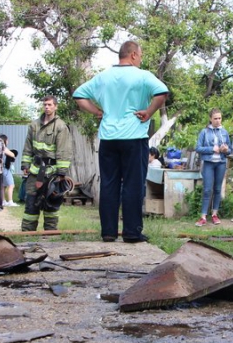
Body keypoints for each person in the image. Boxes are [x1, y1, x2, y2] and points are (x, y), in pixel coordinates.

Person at [73, 40, 169, 243]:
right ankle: (131, 232)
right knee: (133, 184)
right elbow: (162, 92)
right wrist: (149, 112)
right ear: (133, 54)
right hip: (134, 137)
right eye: (140, 55)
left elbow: (79, 95)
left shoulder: (103, 77)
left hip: (108, 138)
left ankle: (108, 232)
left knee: (109, 184)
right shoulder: (142, 75)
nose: (140, 59)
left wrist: (97, 111)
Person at [20, 96, 73, 231]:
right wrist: (25, 164)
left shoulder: (61, 126)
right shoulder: (34, 125)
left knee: (51, 203)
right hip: (35, 171)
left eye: (50, 104)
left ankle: (50, 233)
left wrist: (61, 173)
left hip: (52, 173)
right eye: (45, 105)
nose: (47, 107)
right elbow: (28, 146)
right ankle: (27, 232)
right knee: (31, 202)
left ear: (56, 106)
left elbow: (63, 150)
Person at [195, 108, 231, 226]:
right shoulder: (204, 132)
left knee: (217, 189)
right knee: (207, 189)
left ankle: (215, 214)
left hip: (221, 163)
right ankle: (203, 216)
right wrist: (211, 149)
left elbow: (229, 150)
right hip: (209, 163)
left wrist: (226, 150)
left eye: (219, 118)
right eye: (215, 118)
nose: (218, 120)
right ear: (210, 119)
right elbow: (198, 148)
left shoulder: (224, 132)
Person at [0, 133, 19, 207]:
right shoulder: (3, 147)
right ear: (4, 140)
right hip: (5, 169)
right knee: (11, 185)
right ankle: (10, 201)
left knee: (3, 186)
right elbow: (12, 154)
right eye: (7, 140)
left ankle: (3, 201)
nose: (8, 141)